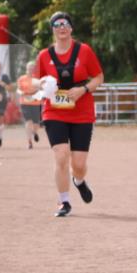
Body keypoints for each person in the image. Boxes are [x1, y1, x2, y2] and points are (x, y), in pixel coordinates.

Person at [31, 11, 104, 217]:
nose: (62, 27)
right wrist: (42, 83)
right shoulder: (44, 55)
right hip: (54, 111)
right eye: (57, 24)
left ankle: (79, 180)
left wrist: (83, 90)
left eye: (65, 24)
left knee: (78, 165)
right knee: (61, 156)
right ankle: (64, 202)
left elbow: (99, 77)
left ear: (71, 28)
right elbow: (34, 81)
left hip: (82, 112)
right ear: (53, 30)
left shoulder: (84, 51)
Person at [17, 61, 43, 149]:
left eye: (33, 68)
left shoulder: (37, 79)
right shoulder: (21, 79)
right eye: (30, 67)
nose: (31, 69)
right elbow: (18, 89)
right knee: (28, 121)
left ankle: (35, 133)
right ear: (27, 68)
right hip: (24, 102)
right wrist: (21, 92)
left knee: (36, 123)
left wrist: (39, 90)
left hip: (35, 102)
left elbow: (41, 89)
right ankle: (29, 142)